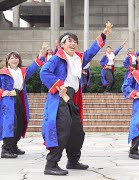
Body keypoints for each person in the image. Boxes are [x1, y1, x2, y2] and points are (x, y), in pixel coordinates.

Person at [40, 21, 112, 176]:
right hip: (60, 97)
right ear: (62, 45)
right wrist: (59, 85)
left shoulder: (79, 58)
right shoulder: (57, 58)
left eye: (75, 41)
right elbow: (44, 72)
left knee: (77, 130)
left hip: (72, 98)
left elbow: (92, 51)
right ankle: (51, 164)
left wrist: (104, 34)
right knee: (62, 129)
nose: (73, 43)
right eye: (69, 41)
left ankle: (73, 160)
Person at [0, 49, 45, 158]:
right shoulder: (3, 72)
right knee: (10, 124)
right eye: (12, 58)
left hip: (19, 98)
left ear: (19, 60)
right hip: (7, 101)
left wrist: (40, 56)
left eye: (16, 58)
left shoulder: (22, 71)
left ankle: (14, 146)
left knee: (20, 122)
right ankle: (6, 149)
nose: (14, 60)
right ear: (8, 60)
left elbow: (33, 68)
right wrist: (3, 92)